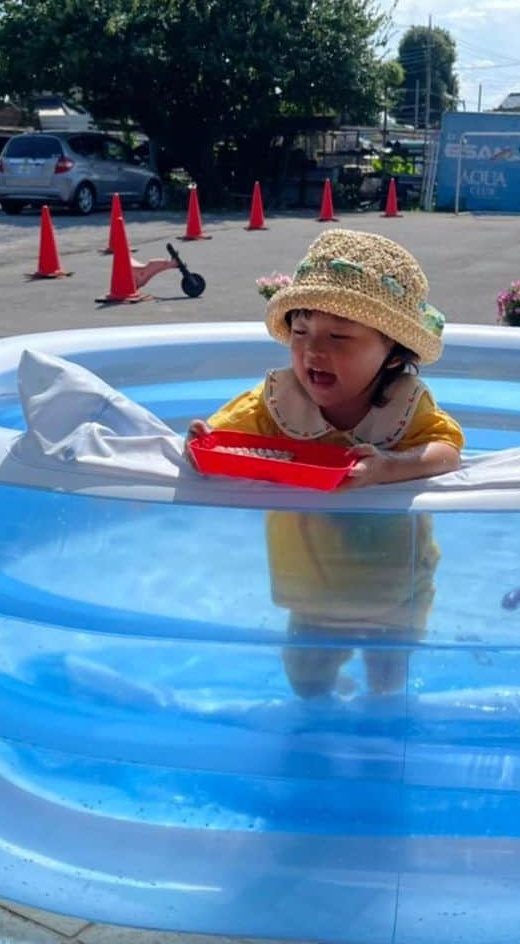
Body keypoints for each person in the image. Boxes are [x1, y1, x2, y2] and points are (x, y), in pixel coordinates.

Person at [185, 228, 464, 697]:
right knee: (306, 681)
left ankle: (376, 711)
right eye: (301, 331)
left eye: (340, 336)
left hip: (396, 587)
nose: (315, 350)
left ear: (392, 355)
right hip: (311, 594)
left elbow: (446, 450)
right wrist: (204, 441)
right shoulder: (276, 402)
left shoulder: (403, 405)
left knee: (388, 683)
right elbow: (223, 439)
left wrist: (390, 467)